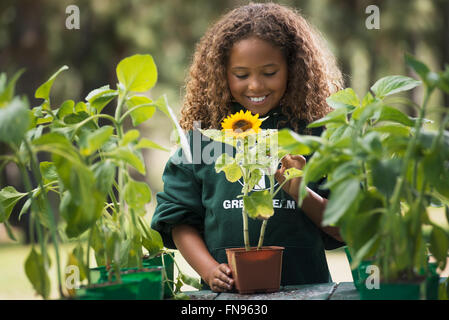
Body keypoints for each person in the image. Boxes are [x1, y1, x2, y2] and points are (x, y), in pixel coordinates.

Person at [151, 2, 345, 293]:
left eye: (269, 72)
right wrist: (208, 269)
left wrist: (301, 191)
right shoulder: (204, 137)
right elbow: (179, 218)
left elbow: (344, 228)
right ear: (220, 73)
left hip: (309, 290)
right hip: (225, 296)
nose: (255, 85)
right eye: (241, 75)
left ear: (292, 68)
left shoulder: (315, 135)